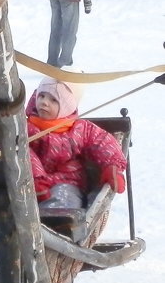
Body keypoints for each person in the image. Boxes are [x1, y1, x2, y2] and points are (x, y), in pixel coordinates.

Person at [26, 75, 126, 209]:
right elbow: (24, 153)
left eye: (54, 100)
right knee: (17, 207)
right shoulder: (26, 127)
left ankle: (59, 223)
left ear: (66, 107)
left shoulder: (80, 128)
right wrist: (35, 179)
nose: (44, 102)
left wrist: (112, 165)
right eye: (41, 96)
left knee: (64, 200)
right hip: (29, 184)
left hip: (67, 182)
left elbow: (103, 141)